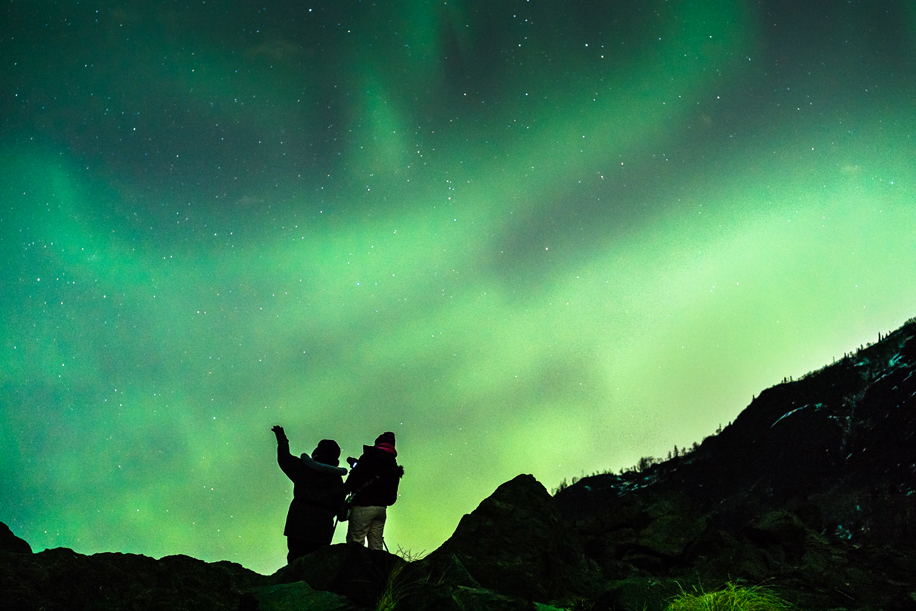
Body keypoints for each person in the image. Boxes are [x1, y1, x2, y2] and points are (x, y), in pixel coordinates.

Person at [271, 425, 347, 563]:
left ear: (316, 453)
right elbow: (341, 510)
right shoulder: (337, 480)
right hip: (322, 529)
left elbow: (284, 459)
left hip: (297, 523)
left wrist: (282, 440)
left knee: (295, 560)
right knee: (315, 564)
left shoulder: (303, 468)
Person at [344, 431, 404, 550]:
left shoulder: (369, 457)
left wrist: (344, 493)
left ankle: (355, 567)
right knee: (376, 544)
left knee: (355, 541)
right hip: (381, 509)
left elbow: (354, 479)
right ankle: (377, 567)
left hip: (363, 505)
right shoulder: (393, 464)